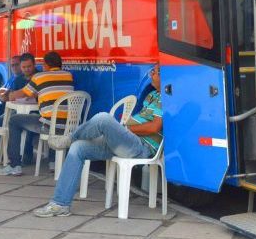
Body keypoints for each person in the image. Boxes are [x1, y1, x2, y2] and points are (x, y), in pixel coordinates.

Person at [33, 64, 162, 217]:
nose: (150, 75)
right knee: (78, 148)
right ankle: (60, 204)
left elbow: (154, 127)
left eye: (154, 72)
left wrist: (125, 129)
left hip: (141, 147)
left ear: (164, 76)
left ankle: (70, 137)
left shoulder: (166, 98)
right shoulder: (152, 95)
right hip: (128, 141)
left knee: (103, 118)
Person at [0, 51, 74, 176]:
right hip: (69, 126)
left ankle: (14, 165)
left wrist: (9, 96)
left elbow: (22, 93)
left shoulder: (40, 77)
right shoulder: (68, 76)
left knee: (14, 121)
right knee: (55, 119)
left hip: (48, 126)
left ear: (46, 64)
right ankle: (53, 162)